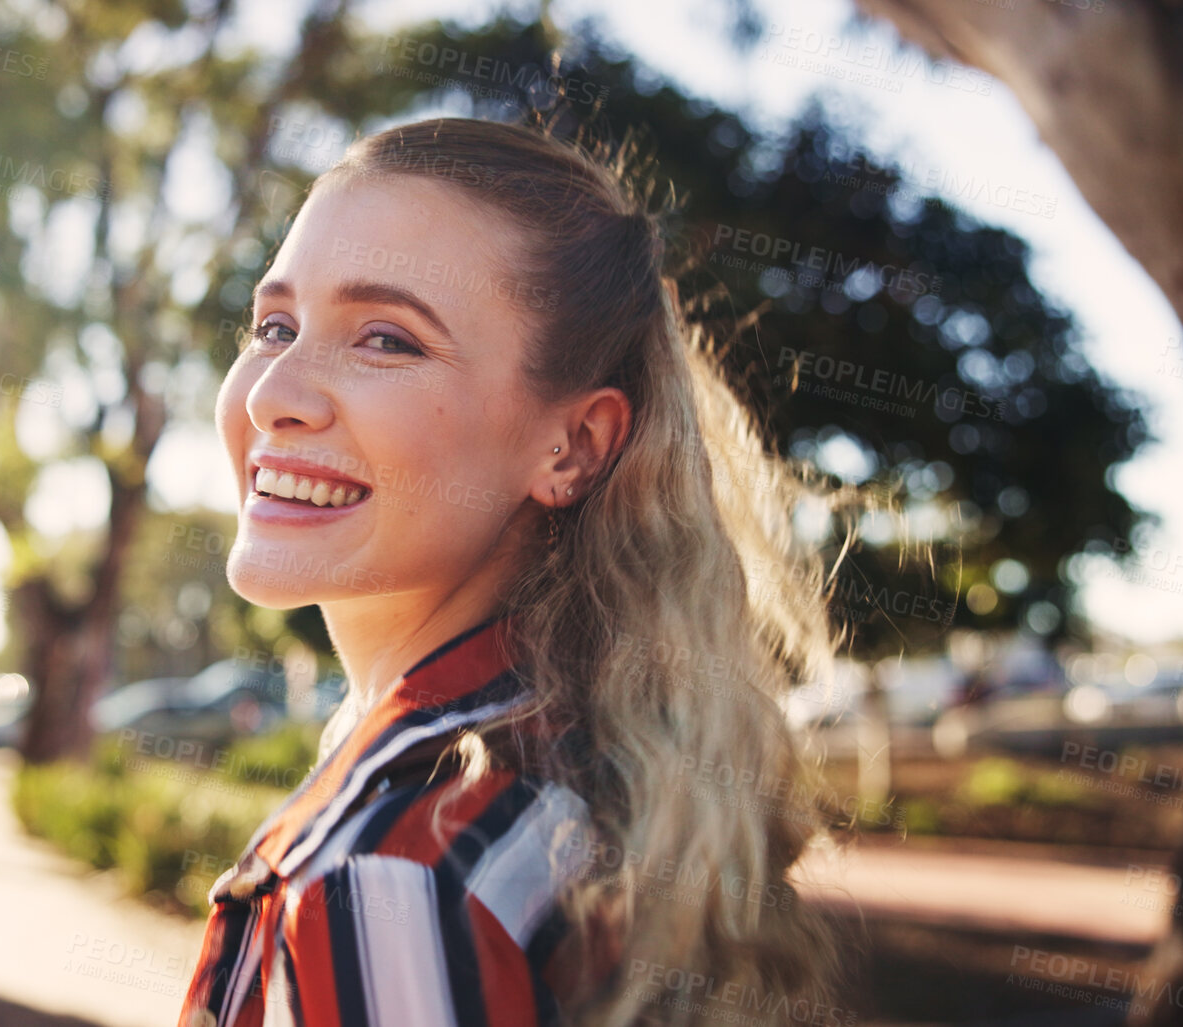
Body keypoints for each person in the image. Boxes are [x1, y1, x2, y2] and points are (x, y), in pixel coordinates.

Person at [182, 117, 841, 1027]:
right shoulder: (580, 784)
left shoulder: (392, 881)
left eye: (386, 339)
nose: (270, 394)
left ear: (571, 447)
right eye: (274, 325)